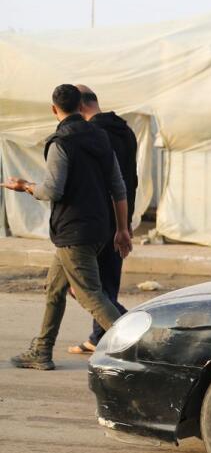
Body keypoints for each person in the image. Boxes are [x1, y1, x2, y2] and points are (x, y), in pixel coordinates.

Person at [2, 84, 132, 370]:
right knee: (54, 288)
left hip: (73, 231)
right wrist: (122, 228)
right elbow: (118, 186)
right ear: (81, 105)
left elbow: (52, 191)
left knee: (90, 295)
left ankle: (139, 347)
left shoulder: (60, 142)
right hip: (99, 227)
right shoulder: (101, 137)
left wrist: (24, 185)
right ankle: (42, 351)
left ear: (53, 109)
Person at [70, 85, 138, 354]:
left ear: (80, 106)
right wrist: (126, 220)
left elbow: (107, 181)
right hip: (120, 213)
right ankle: (99, 335)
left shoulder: (95, 134)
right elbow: (128, 180)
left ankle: (132, 328)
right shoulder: (125, 130)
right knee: (105, 282)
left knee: (83, 284)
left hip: (97, 218)